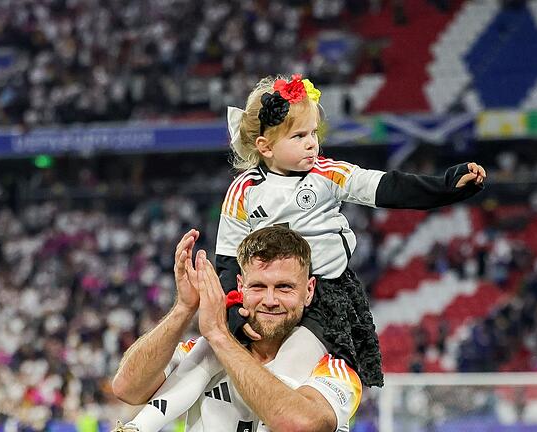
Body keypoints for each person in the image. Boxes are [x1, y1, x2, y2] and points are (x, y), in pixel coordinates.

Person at [119, 74, 487, 431]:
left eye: (313, 134)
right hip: (246, 301)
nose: (312, 144)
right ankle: (138, 427)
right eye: (299, 136)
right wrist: (226, 315)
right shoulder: (243, 191)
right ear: (265, 146)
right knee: (205, 355)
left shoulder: (329, 173)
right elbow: (228, 261)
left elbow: (387, 187)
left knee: (284, 377)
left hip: (328, 297)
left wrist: (445, 186)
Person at [113, 226, 362, 431]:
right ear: (240, 286)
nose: (270, 300)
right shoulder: (202, 352)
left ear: (308, 291)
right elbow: (127, 389)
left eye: (284, 287)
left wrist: (220, 336)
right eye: (258, 287)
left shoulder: (333, 371)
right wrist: (184, 308)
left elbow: (300, 425)